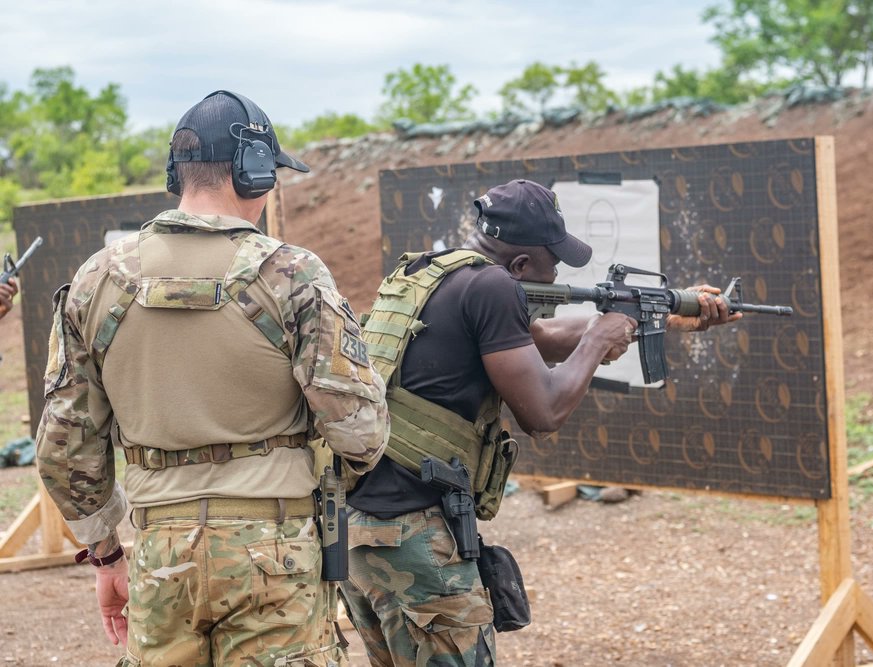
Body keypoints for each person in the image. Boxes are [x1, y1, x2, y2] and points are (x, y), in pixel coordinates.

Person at [35, 90, 389, 667]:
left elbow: (62, 451)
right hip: (276, 553)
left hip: (158, 554)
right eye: (269, 174)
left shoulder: (96, 279)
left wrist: (106, 556)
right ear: (251, 173)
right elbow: (361, 430)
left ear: (178, 174)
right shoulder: (291, 273)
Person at [340, 178, 739, 666]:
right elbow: (544, 414)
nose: (558, 272)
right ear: (522, 265)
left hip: (361, 529)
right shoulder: (494, 287)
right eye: (554, 260)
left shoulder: (437, 272)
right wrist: (595, 343)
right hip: (413, 538)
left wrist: (663, 318)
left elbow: (539, 338)